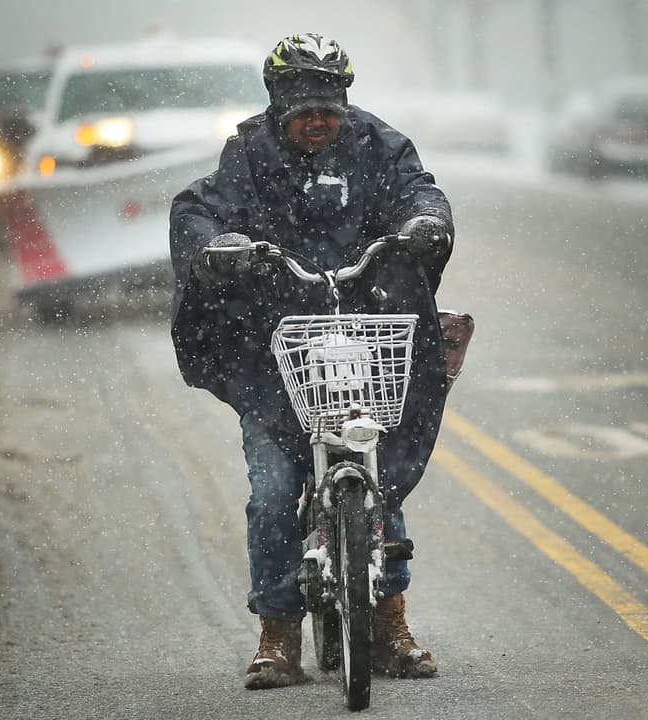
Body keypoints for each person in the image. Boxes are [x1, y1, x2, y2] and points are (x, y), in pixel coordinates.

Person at [169, 32, 454, 690]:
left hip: (363, 332)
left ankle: (388, 623)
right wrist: (220, 246)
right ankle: (276, 634)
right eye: (303, 108)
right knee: (272, 495)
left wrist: (425, 223)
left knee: (377, 468)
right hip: (276, 347)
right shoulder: (246, 154)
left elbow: (421, 193)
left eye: (328, 105)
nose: (318, 119)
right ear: (277, 107)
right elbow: (199, 210)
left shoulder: (380, 148)